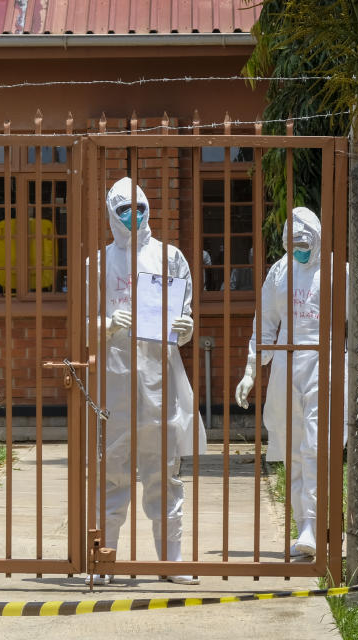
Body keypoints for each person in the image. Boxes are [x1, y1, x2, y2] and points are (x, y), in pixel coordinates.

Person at [88, 176, 207, 585]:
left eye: (138, 208)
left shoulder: (170, 258)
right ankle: (105, 560)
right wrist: (104, 323)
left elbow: (185, 316)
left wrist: (184, 326)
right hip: (115, 376)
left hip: (160, 376)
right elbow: (82, 322)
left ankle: (170, 561)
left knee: (164, 470)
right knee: (112, 470)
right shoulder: (98, 264)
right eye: (124, 210)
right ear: (111, 214)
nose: (133, 217)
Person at [234, 206, 346, 558]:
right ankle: (305, 528)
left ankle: (319, 524)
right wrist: (252, 368)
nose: (298, 247)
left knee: (317, 445)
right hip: (285, 363)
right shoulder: (280, 271)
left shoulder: (337, 271)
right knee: (296, 448)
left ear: (316, 236)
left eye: (303, 240)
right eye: (292, 242)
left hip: (324, 360)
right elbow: (265, 321)